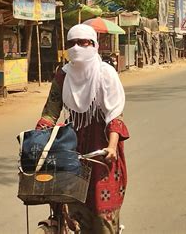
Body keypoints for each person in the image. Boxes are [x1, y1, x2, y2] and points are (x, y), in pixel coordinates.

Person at [36, 24, 129, 232]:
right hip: (73, 145)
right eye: (72, 43)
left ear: (94, 45)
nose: (77, 47)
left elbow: (115, 115)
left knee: (101, 212)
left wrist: (112, 147)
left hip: (102, 149)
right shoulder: (63, 75)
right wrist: (36, 138)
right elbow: (51, 111)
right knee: (72, 203)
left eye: (83, 42)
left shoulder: (106, 74)